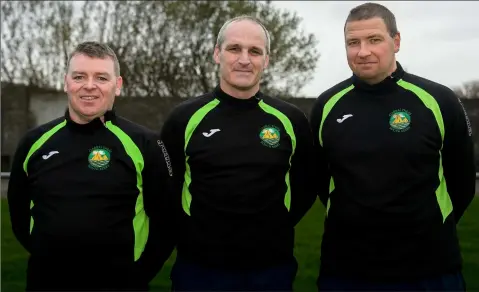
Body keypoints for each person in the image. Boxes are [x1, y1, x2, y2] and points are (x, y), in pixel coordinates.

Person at [310, 2, 476, 291]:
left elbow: (461, 181)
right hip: (346, 270)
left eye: (374, 40)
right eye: (353, 42)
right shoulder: (327, 104)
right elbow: (318, 179)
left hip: (429, 270)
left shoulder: (438, 100)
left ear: (396, 41)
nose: (363, 51)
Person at [160, 15, 317, 291]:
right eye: (234, 49)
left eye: (254, 51)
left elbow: (306, 185)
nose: (244, 59)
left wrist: (276, 225)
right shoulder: (184, 118)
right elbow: (166, 188)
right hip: (199, 271)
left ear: (266, 60)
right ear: (217, 54)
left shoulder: (291, 120)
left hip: (272, 271)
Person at [7, 41, 176, 291]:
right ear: (66, 82)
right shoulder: (34, 142)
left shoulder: (146, 144)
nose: (89, 86)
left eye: (101, 77)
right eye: (79, 76)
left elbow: (166, 220)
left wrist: (138, 274)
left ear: (117, 85)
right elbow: (19, 214)